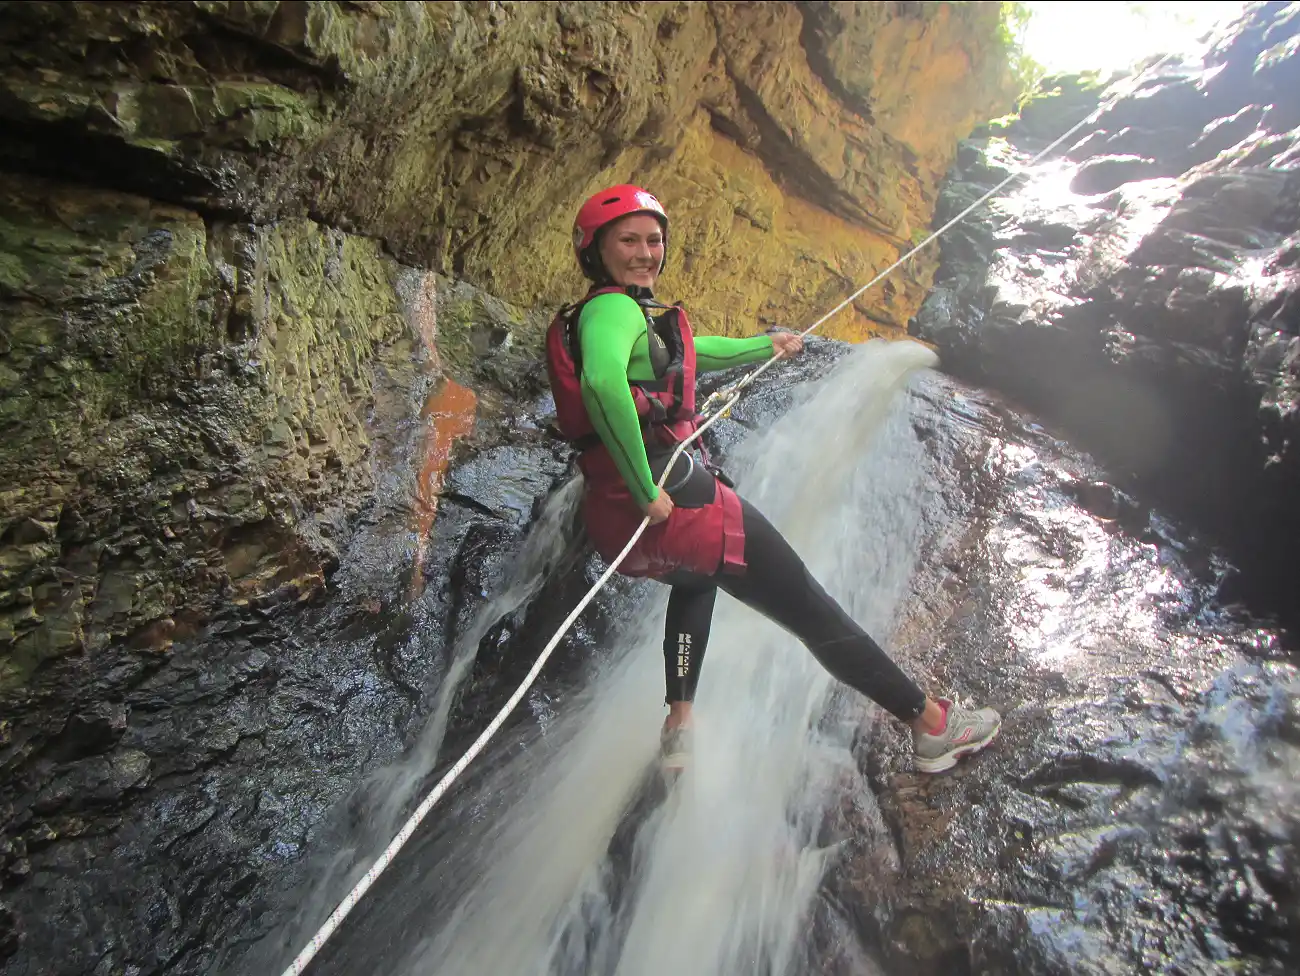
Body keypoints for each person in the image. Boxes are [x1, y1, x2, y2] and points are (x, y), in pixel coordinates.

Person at [544, 184, 1001, 774]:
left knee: (695, 581)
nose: (645, 252)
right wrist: (646, 490)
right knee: (811, 609)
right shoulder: (614, 309)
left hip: (614, 521)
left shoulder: (600, 315)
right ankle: (933, 727)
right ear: (595, 250)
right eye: (627, 240)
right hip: (673, 501)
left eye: (653, 240)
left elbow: (686, 352)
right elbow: (607, 385)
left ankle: (679, 722)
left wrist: (764, 344)